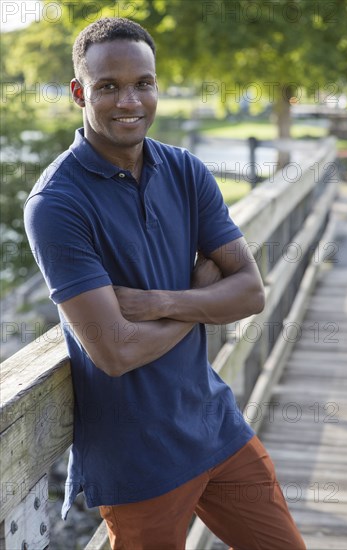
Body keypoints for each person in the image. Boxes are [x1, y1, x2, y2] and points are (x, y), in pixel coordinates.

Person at [24, 17, 306, 550]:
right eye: (108, 86)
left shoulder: (185, 170)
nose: (129, 100)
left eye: (143, 83)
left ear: (157, 86)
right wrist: (202, 300)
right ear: (79, 92)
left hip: (215, 424)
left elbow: (250, 291)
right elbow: (115, 352)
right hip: (138, 458)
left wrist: (159, 303)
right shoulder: (56, 205)